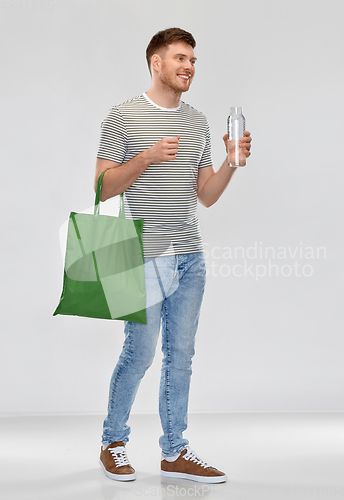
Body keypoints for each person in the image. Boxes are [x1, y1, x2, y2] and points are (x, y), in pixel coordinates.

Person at [94, 27, 252, 484]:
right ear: (156, 62)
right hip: (142, 255)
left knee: (180, 355)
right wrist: (144, 159)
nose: (189, 67)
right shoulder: (122, 116)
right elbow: (102, 187)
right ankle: (113, 442)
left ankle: (174, 450)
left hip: (189, 257)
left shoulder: (198, 122)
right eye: (181, 58)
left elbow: (206, 196)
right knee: (138, 354)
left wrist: (230, 162)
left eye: (193, 61)